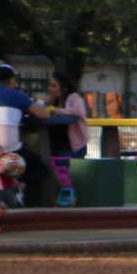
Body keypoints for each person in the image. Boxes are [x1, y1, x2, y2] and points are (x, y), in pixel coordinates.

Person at [0, 65, 51, 199]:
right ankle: (19, 187)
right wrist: (40, 102)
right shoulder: (17, 95)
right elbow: (43, 114)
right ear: (11, 80)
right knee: (42, 170)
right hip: (10, 154)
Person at [48, 72, 90, 206]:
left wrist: (55, 111)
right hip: (55, 142)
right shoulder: (52, 100)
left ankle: (69, 194)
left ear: (64, 88)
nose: (50, 89)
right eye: (49, 85)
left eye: (54, 86)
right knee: (47, 163)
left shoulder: (73, 98)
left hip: (73, 145)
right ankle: (56, 194)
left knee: (61, 164)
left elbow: (77, 111)